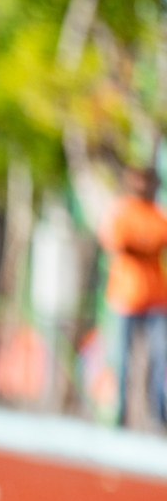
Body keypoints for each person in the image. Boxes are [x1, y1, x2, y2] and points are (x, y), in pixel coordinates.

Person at [100, 166, 167, 427]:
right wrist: (146, 246)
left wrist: (143, 246)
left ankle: (158, 414)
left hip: (157, 299)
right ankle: (121, 414)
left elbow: (157, 242)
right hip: (126, 297)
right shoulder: (123, 211)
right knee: (123, 357)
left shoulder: (158, 215)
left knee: (159, 357)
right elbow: (120, 244)